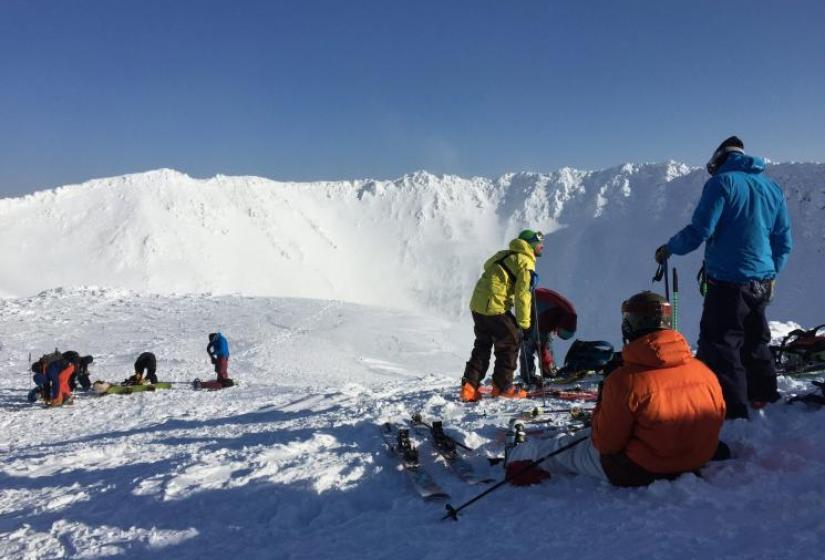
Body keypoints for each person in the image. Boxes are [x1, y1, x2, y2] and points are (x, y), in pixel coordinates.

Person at [505, 291, 726, 487]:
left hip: (639, 469)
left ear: (630, 326)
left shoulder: (625, 379)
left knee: (568, 448)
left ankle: (518, 454)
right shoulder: (704, 372)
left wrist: (604, 402)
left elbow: (605, 443)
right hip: (695, 460)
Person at [655, 136, 793, 419]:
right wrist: (771, 272)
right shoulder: (771, 187)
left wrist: (669, 248)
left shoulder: (721, 183)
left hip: (729, 281)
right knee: (755, 339)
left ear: (719, 159)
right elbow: (783, 240)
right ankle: (764, 395)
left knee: (721, 342)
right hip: (762, 281)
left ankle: (733, 409)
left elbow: (700, 230)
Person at [460, 230, 543, 401]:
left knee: (483, 344)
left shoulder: (506, 255)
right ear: (531, 244)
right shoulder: (525, 262)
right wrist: (525, 324)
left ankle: (469, 388)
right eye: (539, 242)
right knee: (511, 340)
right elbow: (523, 296)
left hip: (478, 304)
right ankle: (503, 387)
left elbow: (487, 268)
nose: (542, 246)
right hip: (494, 306)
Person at [519, 288, 577, 385]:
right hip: (531, 303)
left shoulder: (569, 316)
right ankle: (528, 377)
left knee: (544, 340)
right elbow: (543, 345)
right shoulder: (548, 318)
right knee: (529, 342)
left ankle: (547, 371)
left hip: (540, 301)